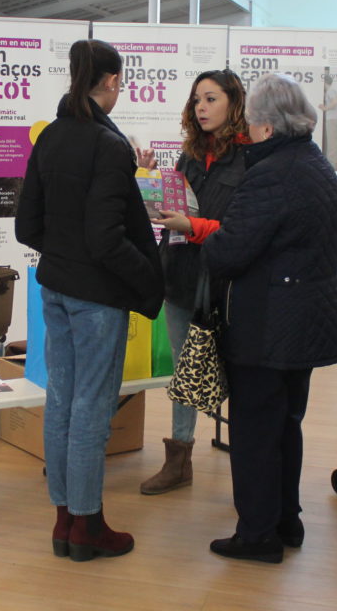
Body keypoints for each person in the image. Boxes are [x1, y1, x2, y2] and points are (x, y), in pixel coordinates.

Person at [157, 73, 337, 564]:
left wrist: (207, 238)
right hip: (304, 320)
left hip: (268, 323)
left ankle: (257, 534)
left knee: (256, 431)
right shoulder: (316, 164)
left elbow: (230, 250)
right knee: (286, 424)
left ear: (263, 123)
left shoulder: (271, 172)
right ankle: (286, 519)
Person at [15, 39, 163, 562]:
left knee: (61, 402)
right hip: (97, 297)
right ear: (110, 82)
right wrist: (149, 277)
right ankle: (87, 525)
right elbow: (106, 238)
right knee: (90, 410)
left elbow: (26, 225)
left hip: (55, 287)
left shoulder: (50, 137)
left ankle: (65, 520)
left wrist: (67, 254)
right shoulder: (107, 145)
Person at [139, 68, 248, 497]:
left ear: (233, 103)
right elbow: (172, 213)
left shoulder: (250, 157)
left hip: (227, 282)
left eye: (211, 99)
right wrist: (146, 181)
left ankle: (249, 461)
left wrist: (194, 225)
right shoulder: (188, 156)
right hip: (181, 275)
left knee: (239, 372)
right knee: (186, 372)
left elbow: (243, 228)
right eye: (197, 100)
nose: (201, 107)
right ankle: (179, 458)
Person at [320, 72, 337, 169]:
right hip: (335, 118)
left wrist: (325, 108)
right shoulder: (332, 90)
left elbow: (335, 102)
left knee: (332, 141)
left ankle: (333, 164)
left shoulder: (330, 91)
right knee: (336, 141)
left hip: (332, 119)